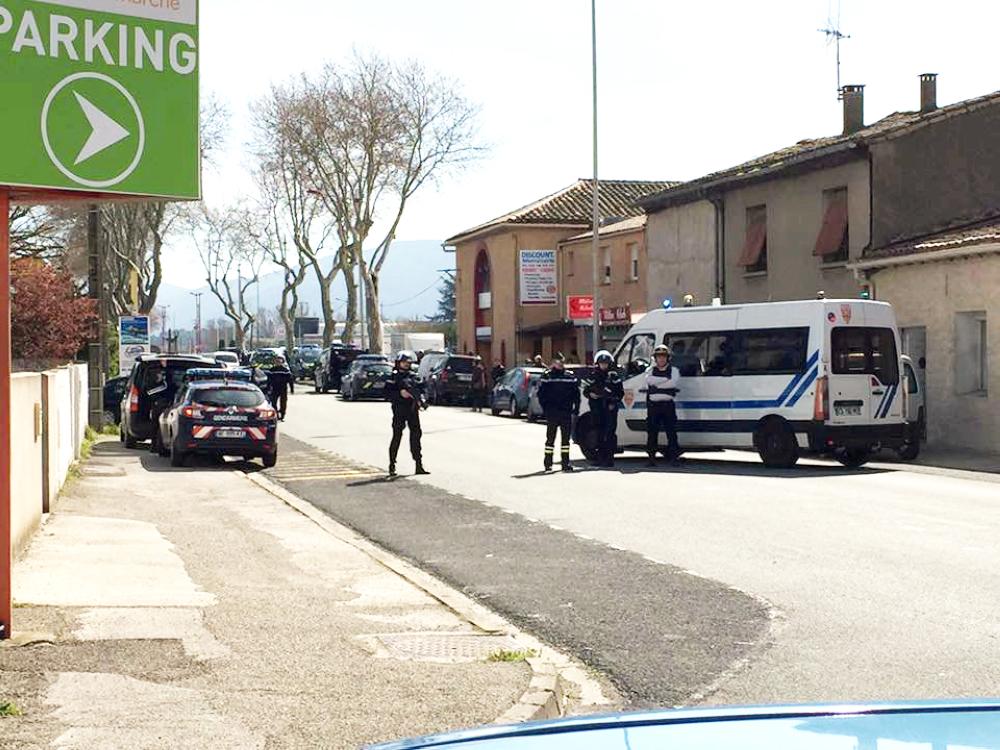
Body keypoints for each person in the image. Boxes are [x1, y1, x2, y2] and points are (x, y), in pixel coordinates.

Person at [385, 350, 429, 477]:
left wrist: (421, 400)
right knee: (397, 436)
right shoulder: (393, 377)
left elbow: (421, 389)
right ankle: (392, 464)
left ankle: (418, 464)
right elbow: (387, 394)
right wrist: (400, 394)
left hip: (412, 410)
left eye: (408, 363)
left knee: (416, 436)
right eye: (404, 362)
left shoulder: (413, 376)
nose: (406, 365)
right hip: (399, 410)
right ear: (399, 363)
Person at [537, 353, 579, 472]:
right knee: (550, 439)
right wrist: (546, 409)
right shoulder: (547, 376)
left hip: (566, 412)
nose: (560, 363)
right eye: (557, 361)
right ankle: (548, 463)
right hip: (552, 412)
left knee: (565, 441)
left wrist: (576, 408)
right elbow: (541, 395)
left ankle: (565, 464)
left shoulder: (569, 376)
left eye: (561, 361)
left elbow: (576, 394)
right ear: (553, 363)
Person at [584, 350, 624, 468]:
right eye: (601, 363)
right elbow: (586, 390)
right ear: (597, 363)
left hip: (610, 409)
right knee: (599, 433)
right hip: (597, 409)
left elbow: (620, 393)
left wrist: (613, 402)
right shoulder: (592, 375)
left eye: (606, 363)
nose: (603, 365)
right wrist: (591, 394)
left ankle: (609, 459)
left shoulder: (614, 376)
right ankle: (600, 458)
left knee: (610, 434)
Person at [645, 344, 681, 466]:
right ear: (655, 358)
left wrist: (658, 383)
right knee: (652, 433)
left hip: (668, 406)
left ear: (668, 358)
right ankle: (651, 458)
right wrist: (665, 379)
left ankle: (674, 458)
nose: (661, 359)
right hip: (653, 406)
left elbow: (672, 383)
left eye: (663, 356)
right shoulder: (650, 370)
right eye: (659, 356)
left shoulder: (674, 370)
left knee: (671, 432)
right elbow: (649, 381)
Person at [266, 356, 295, 421]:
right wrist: (268, 389)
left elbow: (290, 380)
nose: (278, 363)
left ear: (282, 362)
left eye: (279, 362)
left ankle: (282, 415)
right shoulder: (272, 370)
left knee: (283, 403)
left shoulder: (286, 371)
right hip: (275, 389)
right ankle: (276, 414)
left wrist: (292, 389)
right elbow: (269, 381)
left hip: (283, 389)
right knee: (273, 403)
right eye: (277, 361)